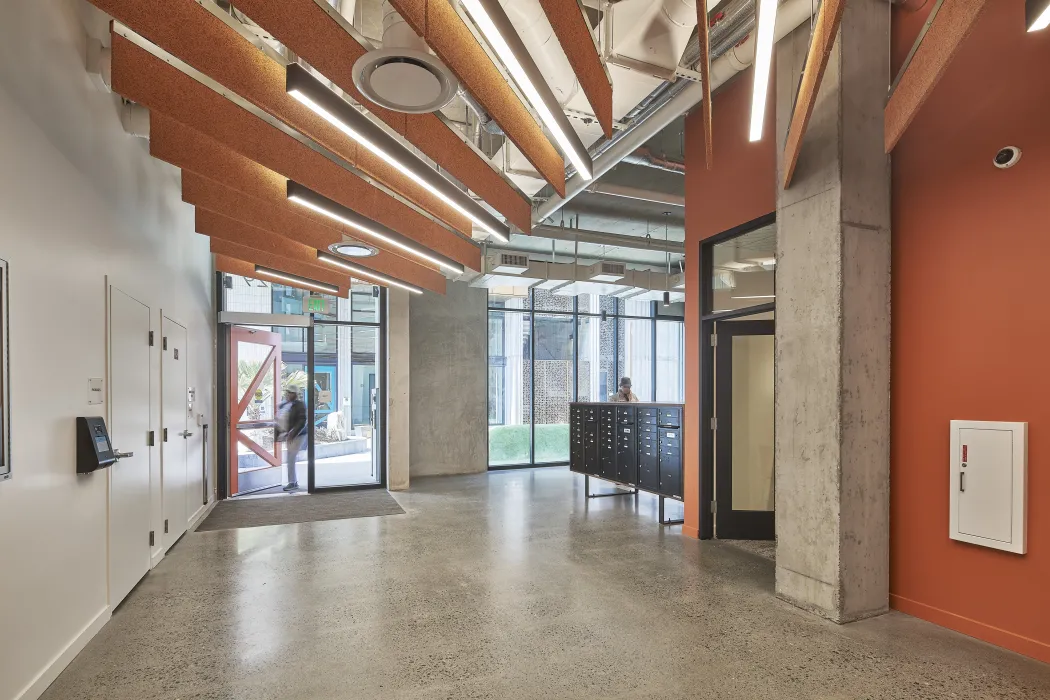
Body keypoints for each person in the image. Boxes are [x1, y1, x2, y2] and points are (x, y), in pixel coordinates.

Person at [276, 388, 307, 491]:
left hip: (298, 435)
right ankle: (293, 481)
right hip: (290, 435)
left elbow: (302, 421)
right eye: (287, 393)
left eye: (290, 393)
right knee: (290, 457)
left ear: (295, 394)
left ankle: (292, 483)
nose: (288, 394)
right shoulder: (286, 404)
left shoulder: (300, 405)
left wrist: (293, 433)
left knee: (291, 458)